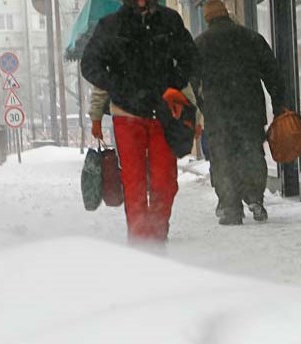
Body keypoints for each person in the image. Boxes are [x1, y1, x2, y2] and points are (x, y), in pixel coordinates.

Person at [81, 0, 197, 244]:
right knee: (134, 181)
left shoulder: (169, 20)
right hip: (127, 115)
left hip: (163, 113)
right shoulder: (112, 25)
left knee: (164, 181)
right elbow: (89, 64)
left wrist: (174, 81)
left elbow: (191, 58)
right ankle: (140, 239)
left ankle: (157, 232)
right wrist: (116, 86)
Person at [193, 0, 286, 226]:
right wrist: (279, 105)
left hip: (218, 112)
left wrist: (202, 109)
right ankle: (255, 197)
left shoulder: (200, 44)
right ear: (226, 14)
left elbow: (192, 84)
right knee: (251, 152)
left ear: (207, 19)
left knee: (222, 158)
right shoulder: (250, 38)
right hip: (250, 109)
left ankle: (231, 207)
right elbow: (272, 72)